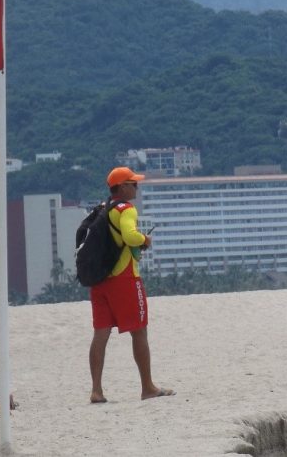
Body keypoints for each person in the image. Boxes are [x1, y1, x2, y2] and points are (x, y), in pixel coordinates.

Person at [88, 166, 174, 403]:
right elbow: (129, 236)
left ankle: (97, 390)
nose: (136, 187)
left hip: (99, 281)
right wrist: (145, 239)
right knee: (139, 331)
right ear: (123, 187)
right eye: (133, 183)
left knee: (100, 334)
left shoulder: (103, 210)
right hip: (124, 279)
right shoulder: (127, 210)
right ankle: (147, 387)